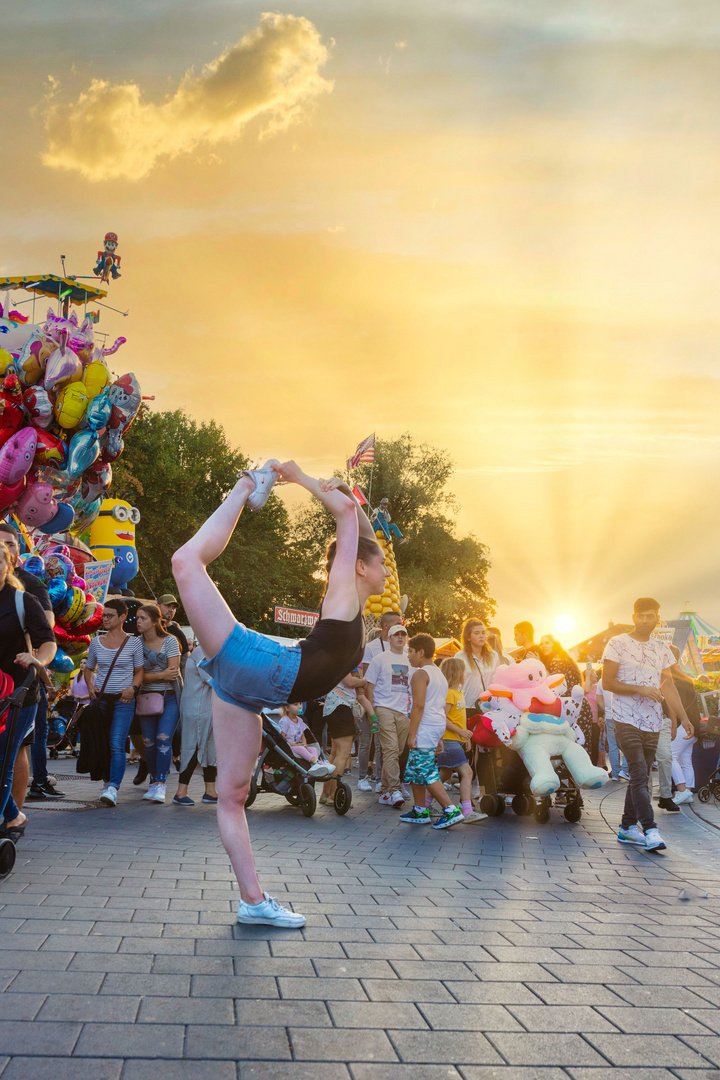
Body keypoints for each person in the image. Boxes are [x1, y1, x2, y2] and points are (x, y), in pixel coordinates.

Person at [171, 460, 387, 928]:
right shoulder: (343, 595)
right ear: (360, 568)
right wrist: (298, 475)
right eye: (382, 563)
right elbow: (348, 514)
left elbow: (358, 515)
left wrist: (336, 491)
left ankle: (253, 902)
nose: (387, 570)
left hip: (248, 689)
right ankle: (247, 483)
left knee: (232, 795)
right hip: (261, 666)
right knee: (185, 562)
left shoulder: (358, 608)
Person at [602, 598, 694, 851]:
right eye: (640, 616)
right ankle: (650, 829)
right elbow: (608, 682)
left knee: (639, 776)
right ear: (633, 617)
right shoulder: (617, 643)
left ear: (657, 619)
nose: (644, 620)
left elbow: (670, 686)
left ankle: (627, 827)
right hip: (625, 718)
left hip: (653, 721)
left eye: (650, 616)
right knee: (640, 773)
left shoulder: (662, 648)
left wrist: (684, 718)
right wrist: (640, 688)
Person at [0, 543, 57, 839]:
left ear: (8, 566)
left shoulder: (22, 601)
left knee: (2, 761)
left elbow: (48, 642)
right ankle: (13, 815)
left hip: (18, 695)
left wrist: (39, 659)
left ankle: (7, 817)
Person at [398, 634, 464, 829]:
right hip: (434, 726)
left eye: (410, 652)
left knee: (426, 771)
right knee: (414, 770)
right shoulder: (440, 675)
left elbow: (418, 705)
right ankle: (420, 811)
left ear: (421, 652)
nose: (408, 656)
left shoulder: (420, 674)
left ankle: (451, 810)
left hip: (424, 726)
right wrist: (439, 738)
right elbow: (437, 707)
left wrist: (412, 734)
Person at [84, 597, 145, 807]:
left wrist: (132, 688)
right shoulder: (95, 642)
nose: (105, 619)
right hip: (101, 699)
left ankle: (113, 788)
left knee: (116, 742)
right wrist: (90, 686)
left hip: (123, 700)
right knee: (102, 742)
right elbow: (89, 668)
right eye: (104, 615)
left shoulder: (134, 642)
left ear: (122, 617)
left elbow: (139, 672)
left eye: (110, 615)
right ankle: (107, 782)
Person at [136, 603, 181, 805]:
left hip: (169, 696)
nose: (138, 621)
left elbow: (173, 671)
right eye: (137, 618)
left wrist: (146, 676)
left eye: (143, 618)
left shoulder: (170, 641)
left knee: (163, 740)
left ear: (155, 621)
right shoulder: (135, 644)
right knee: (149, 743)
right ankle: (154, 781)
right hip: (146, 699)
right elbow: (135, 675)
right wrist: (160, 675)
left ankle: (161, 783)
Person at [364, 624, 412, 807]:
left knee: (397, 752)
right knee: (390, 750)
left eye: (403, 634)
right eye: (396, 634)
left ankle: (384, 791)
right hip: (383, 708)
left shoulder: (410, 660)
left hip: (403, 711)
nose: (400, 637)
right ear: (389, 638)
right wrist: (371, 712)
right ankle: (394, 790)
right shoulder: (379, 659)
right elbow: (369, 685)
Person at [434, 656, 484, 822]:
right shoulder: (449, 693)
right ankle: (467, 809)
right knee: (467, 772)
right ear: (457, 673)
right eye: (464, 671)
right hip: (448, 740)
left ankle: (424, 804)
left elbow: (459, 718)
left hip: (454, 740)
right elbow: (443, 717)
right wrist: (461, 733)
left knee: (443, 774)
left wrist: (465, 737)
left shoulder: (458, 692)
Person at [537, 635, 596, 758]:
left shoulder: (556, 661)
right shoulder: (567, 659)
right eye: (541, 643)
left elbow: (551, 683)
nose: (543, 646)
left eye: (546, 643)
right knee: (581, 744)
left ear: (555, 644)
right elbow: (584, 689)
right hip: (581, 706)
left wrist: (539, 665)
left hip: (568, 709)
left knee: (569, 746)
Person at [174, 643, 218, 806]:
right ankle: (180, 792)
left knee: (209, 747)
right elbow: (213, 680)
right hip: (196, 708)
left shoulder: (208, 650)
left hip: (204, 707)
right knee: (193, 746)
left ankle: (210, 791)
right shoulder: (203, 653)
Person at [320, 671, 364, 805]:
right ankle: (333, 795)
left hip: (332, 708)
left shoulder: (334, 660)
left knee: (334, 753)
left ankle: (326, 794)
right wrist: (363, 682)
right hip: (341, 708)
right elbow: (349, 682)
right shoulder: (344, 660)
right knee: (343, 754)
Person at [667, 644, 701, 806]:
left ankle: (683, 791)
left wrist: (674, 725)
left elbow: (674, 706)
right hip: (695, 724)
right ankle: (688, 790)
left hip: (683, 725)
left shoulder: (672, 680)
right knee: (685, 759)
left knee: (670, 755)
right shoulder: (685, 678)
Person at [456, 619, 503, 716]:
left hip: (489, 707)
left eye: (483, 633)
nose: (481, 636)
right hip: (467, 707)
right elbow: (455, 684)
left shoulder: (494, 655)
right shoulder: (459, 657)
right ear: (468, 637)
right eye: (476, 633)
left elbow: (498, 680)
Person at [158, 593, 190, 674]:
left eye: (173, 607)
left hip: (171, 683)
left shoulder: (178, 634)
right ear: (157, 605)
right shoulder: (148, 628)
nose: (171, 610)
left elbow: (185, 663)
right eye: (167, 606)